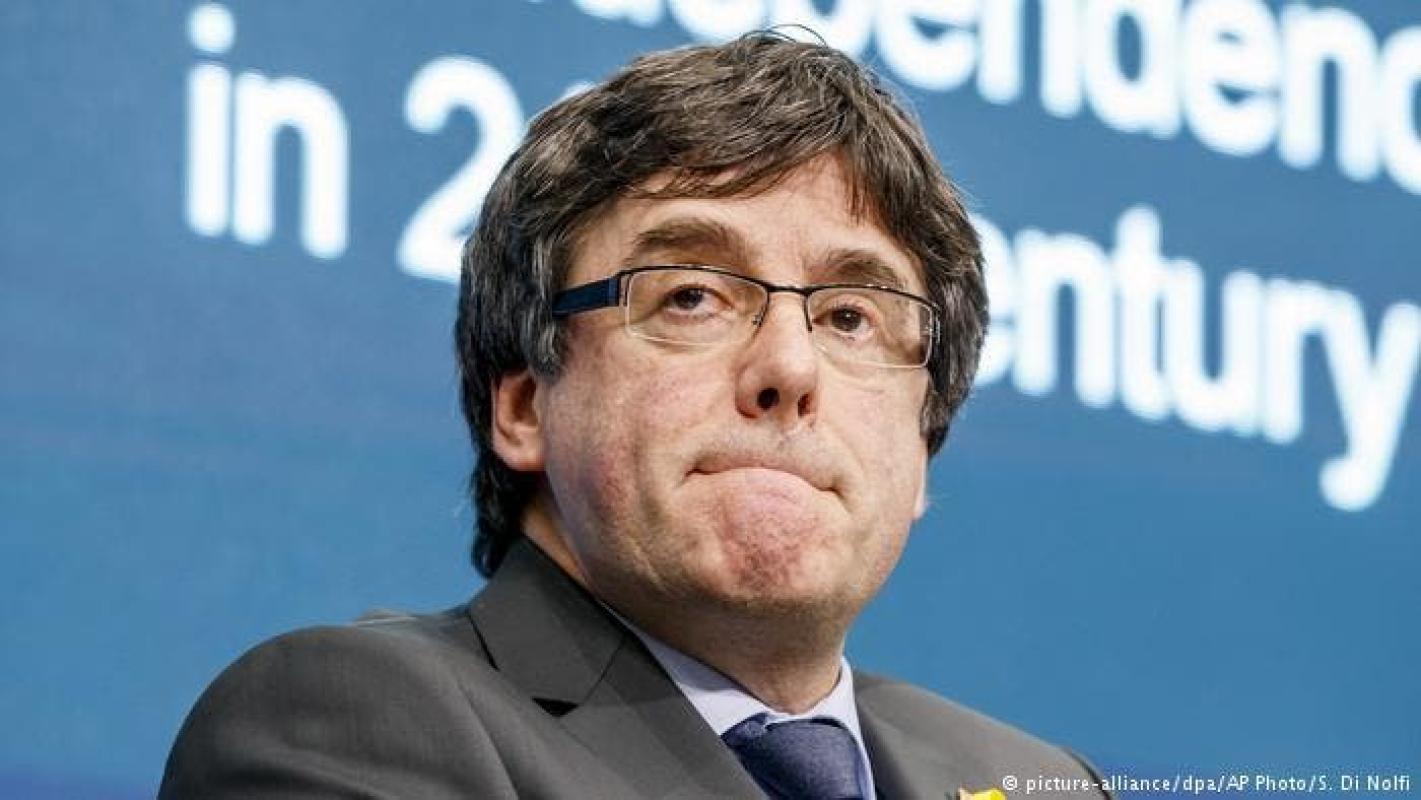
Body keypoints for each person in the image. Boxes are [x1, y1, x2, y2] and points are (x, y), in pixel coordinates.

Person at [160, 31, 1108, 800]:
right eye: (691, 296)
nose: (788, 367)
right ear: (525, 404)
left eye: (852, 316)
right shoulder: (353, 722)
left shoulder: (1034, 782)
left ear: (922, 446)